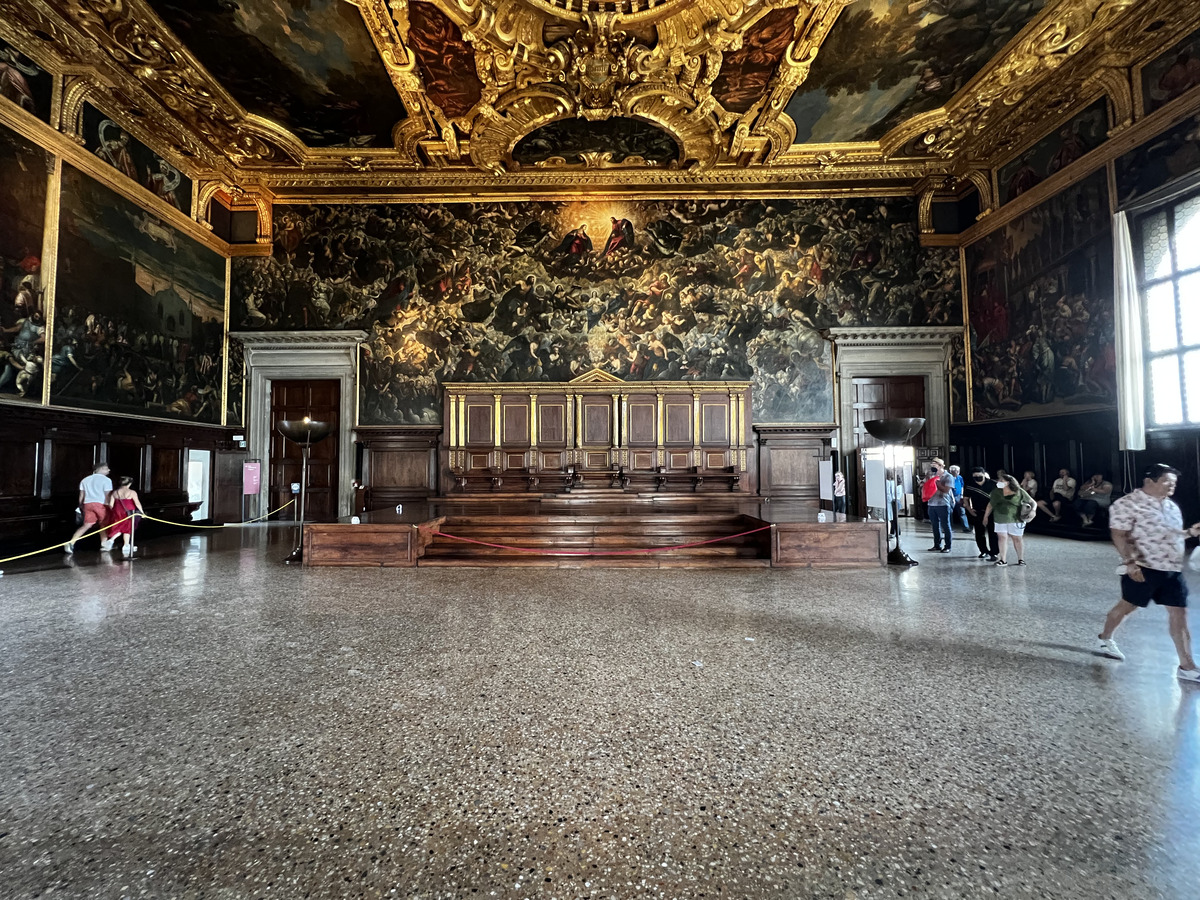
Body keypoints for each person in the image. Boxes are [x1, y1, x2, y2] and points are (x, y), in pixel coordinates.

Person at [1096, 463, 1200, 683]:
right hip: (1143, 568)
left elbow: (1171, 534)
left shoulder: (1171, 506)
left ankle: (1187, 665)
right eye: (1167, 481)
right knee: (1127, 606)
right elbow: (1119, 535)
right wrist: (1130, 563)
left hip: (1171, 569)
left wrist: (1189, 532)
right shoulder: (1127, 504)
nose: (1172, 486)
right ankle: (1105, 638)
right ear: (1149, 481)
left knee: (1179, 613)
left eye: (1174, 482)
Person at [983, 474, 1034, 566]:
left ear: (1009, 482)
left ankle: (1021, 559)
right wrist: (986, 516)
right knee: (1002, 537)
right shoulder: (996, 492)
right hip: (1000, 517)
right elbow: (990, 505)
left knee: (1017, 538)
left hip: (1016, 518)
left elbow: (1032, 502)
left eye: (1002, 481)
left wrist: (1032, 511)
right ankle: (1003, 559)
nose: (999, 482)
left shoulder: (1019, 491)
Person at [66, 463, 112, 554]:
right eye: (107, 469)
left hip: (87, 504)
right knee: (104, 524)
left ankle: (71, 542)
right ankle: (104, 544)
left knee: (87, 525)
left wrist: (81, 506)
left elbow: (81, 495)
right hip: (100, 504)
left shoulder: (85, 480)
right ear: (101, 469)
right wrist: (110, 505)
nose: (109, 470)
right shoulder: (106, 480)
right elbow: (107, 495)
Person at [963, 467, 999, 560]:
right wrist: (969, 509)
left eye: (979, 476)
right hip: (977, 512)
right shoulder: (970, 485)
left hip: (992, 512)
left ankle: (994, 552)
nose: (977, 477)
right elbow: (966, 499)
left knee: (993, 533)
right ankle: (983, 551)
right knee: (979, 533)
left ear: (984, 474)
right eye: (975, 476)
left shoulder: (993, 483)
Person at [105, 476, 144, 556]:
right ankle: (117, 542)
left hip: (118, 511)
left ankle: (125, 545)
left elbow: (111, 505)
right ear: (129, 483)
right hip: (129, 512)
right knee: (127, 528)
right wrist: (142, 513)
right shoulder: (132, 492)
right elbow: (137, 503)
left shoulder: (115, 492)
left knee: (121, 526)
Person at [926, 467, 956, 553]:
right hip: (931, 503)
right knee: (935, 526)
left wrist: (935, 481)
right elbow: (925, 485)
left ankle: (947, 546)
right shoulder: (930, 475)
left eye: (935, 466)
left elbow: (945, 490)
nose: (933, 468)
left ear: (941, 466)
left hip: (943, 503)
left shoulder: (948, 476)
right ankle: (937, 545)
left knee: (945, 526)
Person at [948, 464, 970, 532]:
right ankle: (949, 528)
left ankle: (966, 527)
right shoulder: (948, 477)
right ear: (951, 471)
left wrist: (961, 495)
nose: (957, 472)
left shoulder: (959, 477)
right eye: (956, 471)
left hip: (958, 496)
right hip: (950, 496)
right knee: (950, 512)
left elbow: (962, 486)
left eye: (958, 471)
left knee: (962, 512)